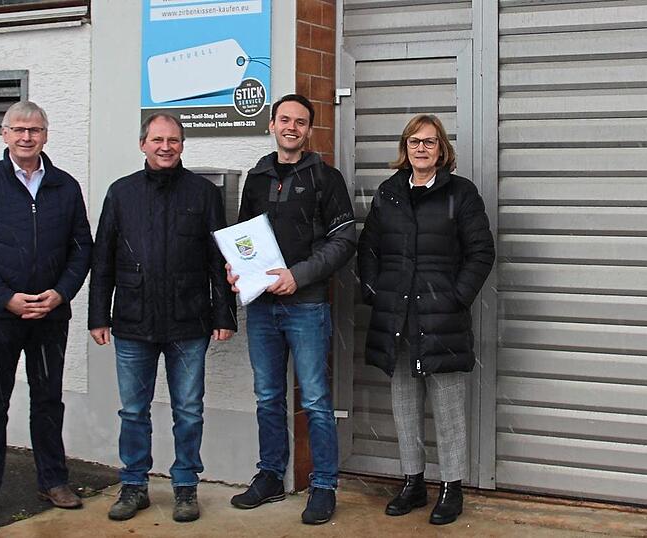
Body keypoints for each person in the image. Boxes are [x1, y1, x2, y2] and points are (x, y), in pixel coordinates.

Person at [88, 112, 236, 523]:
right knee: (133, 410)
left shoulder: (203, 194)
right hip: (133, 323)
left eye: (173, 139)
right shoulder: (121, 193)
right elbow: (103, 260)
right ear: (142, 145)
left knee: (189, 409)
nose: (165, 146)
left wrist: (225, 315)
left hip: (190, 322)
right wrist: (98, 315)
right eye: (157, 139)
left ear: (183, 145)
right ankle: (134, 485)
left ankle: (185, 487)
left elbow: (217, 260)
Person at [0, 101, 93, 522]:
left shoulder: (65, 187)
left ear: (46, 135)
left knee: (48, 399)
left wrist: (61, 293)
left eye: (34, 130)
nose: (26, 137)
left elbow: (81, 248)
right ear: (4, 134)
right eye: (18, 130)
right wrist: (5, 298)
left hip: (50, 314)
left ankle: (53, 479)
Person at [356, 114, 495, 525]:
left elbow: (481, 252)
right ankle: (412, 482)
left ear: (442, 150)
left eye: (429, 142)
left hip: (441, 320)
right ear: (405, 147)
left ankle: (452, 487)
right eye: (414, 141)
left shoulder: (461, 193)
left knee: (449, 407)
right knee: (404, 406)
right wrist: (374, 292)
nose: (421, 148)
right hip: (397, 319)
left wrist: (456, 298)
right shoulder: (389, 193)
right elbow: (368, 249)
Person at [227, 94, 355, 525]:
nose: (292, 127)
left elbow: (343, 242)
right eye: (285, 119)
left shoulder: (326, 178)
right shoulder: (257, 177)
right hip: (262, 308)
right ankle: (269, 475)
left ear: (309, 130)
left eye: (300, 122)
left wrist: (298, 276)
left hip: (306, 305)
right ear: (272, 124)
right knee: (267, 396)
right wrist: (235, 268)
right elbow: (243, 237)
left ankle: (323, 485)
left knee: (316, 399)